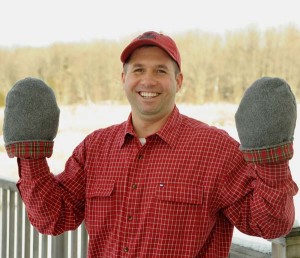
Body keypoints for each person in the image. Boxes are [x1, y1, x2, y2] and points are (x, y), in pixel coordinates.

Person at [3, 31, 298, 258]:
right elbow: (52, 218)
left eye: (160, 71)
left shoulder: (216, 150)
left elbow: (270, 226)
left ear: (178, 81)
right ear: (124, 79)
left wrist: (271, 159)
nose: (148, 80)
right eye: (138, 70)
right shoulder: (95, 148)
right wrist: (31, 157)